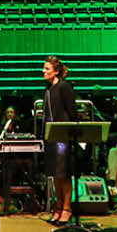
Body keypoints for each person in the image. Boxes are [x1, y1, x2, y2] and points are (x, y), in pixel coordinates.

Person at [42, 57, 78, 223]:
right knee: (55, 174)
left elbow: (72, 112)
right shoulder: (48, 89)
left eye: (47, 69)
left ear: (56, 71)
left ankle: (67, 208)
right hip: (51, 137)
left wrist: (73, 133)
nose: (44, 71)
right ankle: (58, 206)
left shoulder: (64, 87)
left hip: (63, 137)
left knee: (64, 174)